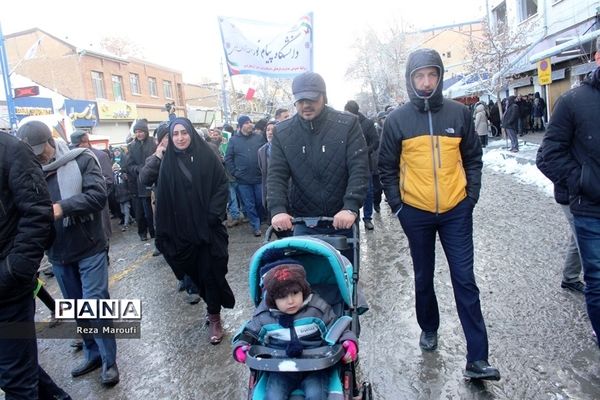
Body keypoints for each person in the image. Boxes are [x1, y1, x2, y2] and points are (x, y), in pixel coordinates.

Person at [378, 48, 500, 380]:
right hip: (415, 211)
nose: (426, 82)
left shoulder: (459, 114)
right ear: (410, 79)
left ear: (440, 76)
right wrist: (398, 206)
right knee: (423, 277)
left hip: (455, 211)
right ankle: (428, 326)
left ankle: (478, 358)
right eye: (419, 76)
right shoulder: (396, 120)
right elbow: (385, 168)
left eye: (432, 75)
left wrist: (470, 196)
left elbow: (473, 158)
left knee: (465, 280)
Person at [17, 121, 119, 385]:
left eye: (41, 149)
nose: (39, 156)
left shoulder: (82, 159)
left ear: (51, 142)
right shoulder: (28, 172)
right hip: (58, 252)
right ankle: (93, 353)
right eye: (33, 152)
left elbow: (98, 196)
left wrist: (61, 208)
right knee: (77, 308)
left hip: (90, 246)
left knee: (95, 303)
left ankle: (110, 360)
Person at [0, 128, 71, 399]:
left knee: (16, 377)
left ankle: (98, 347)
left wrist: (15, 268)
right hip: (22, 274)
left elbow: (38, 214)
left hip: (9, 288)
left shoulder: (11, 151)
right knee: (13, 369)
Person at [537, 40, 600, 344]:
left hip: (582, 199)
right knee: (596, 274)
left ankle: (569, 275)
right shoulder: (573, 102)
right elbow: (547, 155)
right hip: (587, 204)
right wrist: (582, 182)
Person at [267, 72, 368, 261]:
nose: (306, 105)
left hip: (341, 218)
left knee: (345, 276)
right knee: (302, 278)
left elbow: (359, 168)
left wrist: (351, 206)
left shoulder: (347, 125)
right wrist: (278, 209)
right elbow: (276, 174)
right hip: (303, 219)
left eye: (312, 99)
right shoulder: (283, 132)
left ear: (323, 97)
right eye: (301, 100)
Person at [154, 117, 235, 344]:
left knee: (212, 273)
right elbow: (163, 199)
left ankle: (215, 318)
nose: (180, 138)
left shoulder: (207, 155)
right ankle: (211, 307)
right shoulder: (167, 162)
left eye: (184, 133)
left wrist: (212, 214)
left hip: (208, 231)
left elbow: (221, 184)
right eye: (175, 134)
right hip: (183, 233)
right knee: (196, 275)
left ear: (191, 133)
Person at [232, 261, 357, 399]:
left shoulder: (317, 310)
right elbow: (249, 333)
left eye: (295, 293)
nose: (290, 301)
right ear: (272, 299)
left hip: (315, 366)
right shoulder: (264, 317)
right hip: (280, 367)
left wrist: (348, 341)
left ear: (303, 290)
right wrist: (241, 347)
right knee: (274, 396)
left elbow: (336, 327)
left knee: (316, 394)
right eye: (282, 297)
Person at [139, 122, 201, 304]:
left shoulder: (191, 154)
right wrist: (157, 157)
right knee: (167, 247)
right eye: (168, 136)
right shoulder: (156, 158)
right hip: (166, 213)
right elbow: (144, 178)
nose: (174, 139)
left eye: (178, 134)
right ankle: (182, 276)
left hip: (189, 213)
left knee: (188, 249)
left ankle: (192, 286)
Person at [225, 115, 266, 237]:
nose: (250, 125)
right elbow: (228, 158)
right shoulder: (234, 140)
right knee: (249, 204)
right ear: (241, 125)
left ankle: (261, 219)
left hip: (258, 177)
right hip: (243, 180)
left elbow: (265, 152)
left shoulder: (259, 138)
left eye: (251, 122)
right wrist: (235, 172)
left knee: (260, 201)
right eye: (247, 123)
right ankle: (256, 226)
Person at [344, 100, 379, 231]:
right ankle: (354, 217)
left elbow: (375, 142)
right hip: (347, 165)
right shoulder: (344, 124)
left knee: (368, 192)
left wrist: (364, 151)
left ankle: (368, 218)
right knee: (351, 192)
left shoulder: (367, 124)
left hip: (365, 164)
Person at [126, 119, 157, 241]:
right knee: (141, 212)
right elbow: (129, 165)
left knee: (152, 211)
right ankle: (142, 233)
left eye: (141, 131)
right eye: (136, 132)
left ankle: (154, 233)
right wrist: (139, 169)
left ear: (146, 131)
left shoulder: (153, 143)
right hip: (139, 183)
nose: (139, 134)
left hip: (153, 181)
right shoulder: (132, 146)